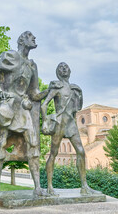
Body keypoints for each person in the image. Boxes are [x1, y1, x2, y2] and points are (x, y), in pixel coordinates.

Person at [0, 31, 49, 197]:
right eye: (31, 36)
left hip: (23, 110)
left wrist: (50, 91)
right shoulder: (8, 56)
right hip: (6, 107)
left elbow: (34, 93)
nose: (34, 38)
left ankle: (37, 187)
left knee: (33, 144)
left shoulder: (32, 65)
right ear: (22, 40)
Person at [41, 62, 100, 195]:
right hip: (60, 123)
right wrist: (45, 121)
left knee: (81, 152)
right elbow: (44, 105)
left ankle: (84, 186)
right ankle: (49, 187)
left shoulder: (74, 88)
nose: (64, 69)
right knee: (53, 154)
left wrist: (79, 93)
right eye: (61, 67)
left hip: (71, 124)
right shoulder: (56, 87)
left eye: (66, 67)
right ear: (58, 72)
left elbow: (77, 108)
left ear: (70, 71)